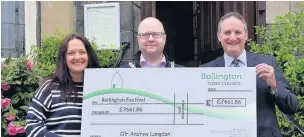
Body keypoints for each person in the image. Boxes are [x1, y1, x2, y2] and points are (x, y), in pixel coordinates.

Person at [201, 12, 299, 137]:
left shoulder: (268, 63)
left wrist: (274, 85)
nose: (232, 38)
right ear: (219, 36)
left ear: (246, 35)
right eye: (227, 32)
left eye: (238, 32)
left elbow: (292, 106)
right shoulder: (206, 70)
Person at [25, 33, 100, 137]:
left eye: (82, 52)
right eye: (71, 53)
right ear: (64, 58)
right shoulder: (50, 88)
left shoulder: (100, 89)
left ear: (89, 55)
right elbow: (32, 125)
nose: (77, 57)